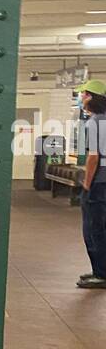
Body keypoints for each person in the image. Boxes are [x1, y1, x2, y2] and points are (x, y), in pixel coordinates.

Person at [77, 79, 106, 289]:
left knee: (93, 228)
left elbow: (93, 157)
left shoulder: (94, 122)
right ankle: (100, 270)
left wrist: (87, 184)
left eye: (84, 94)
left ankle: (101, 274)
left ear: (91, 97)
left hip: (99, 182)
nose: (81, 98)